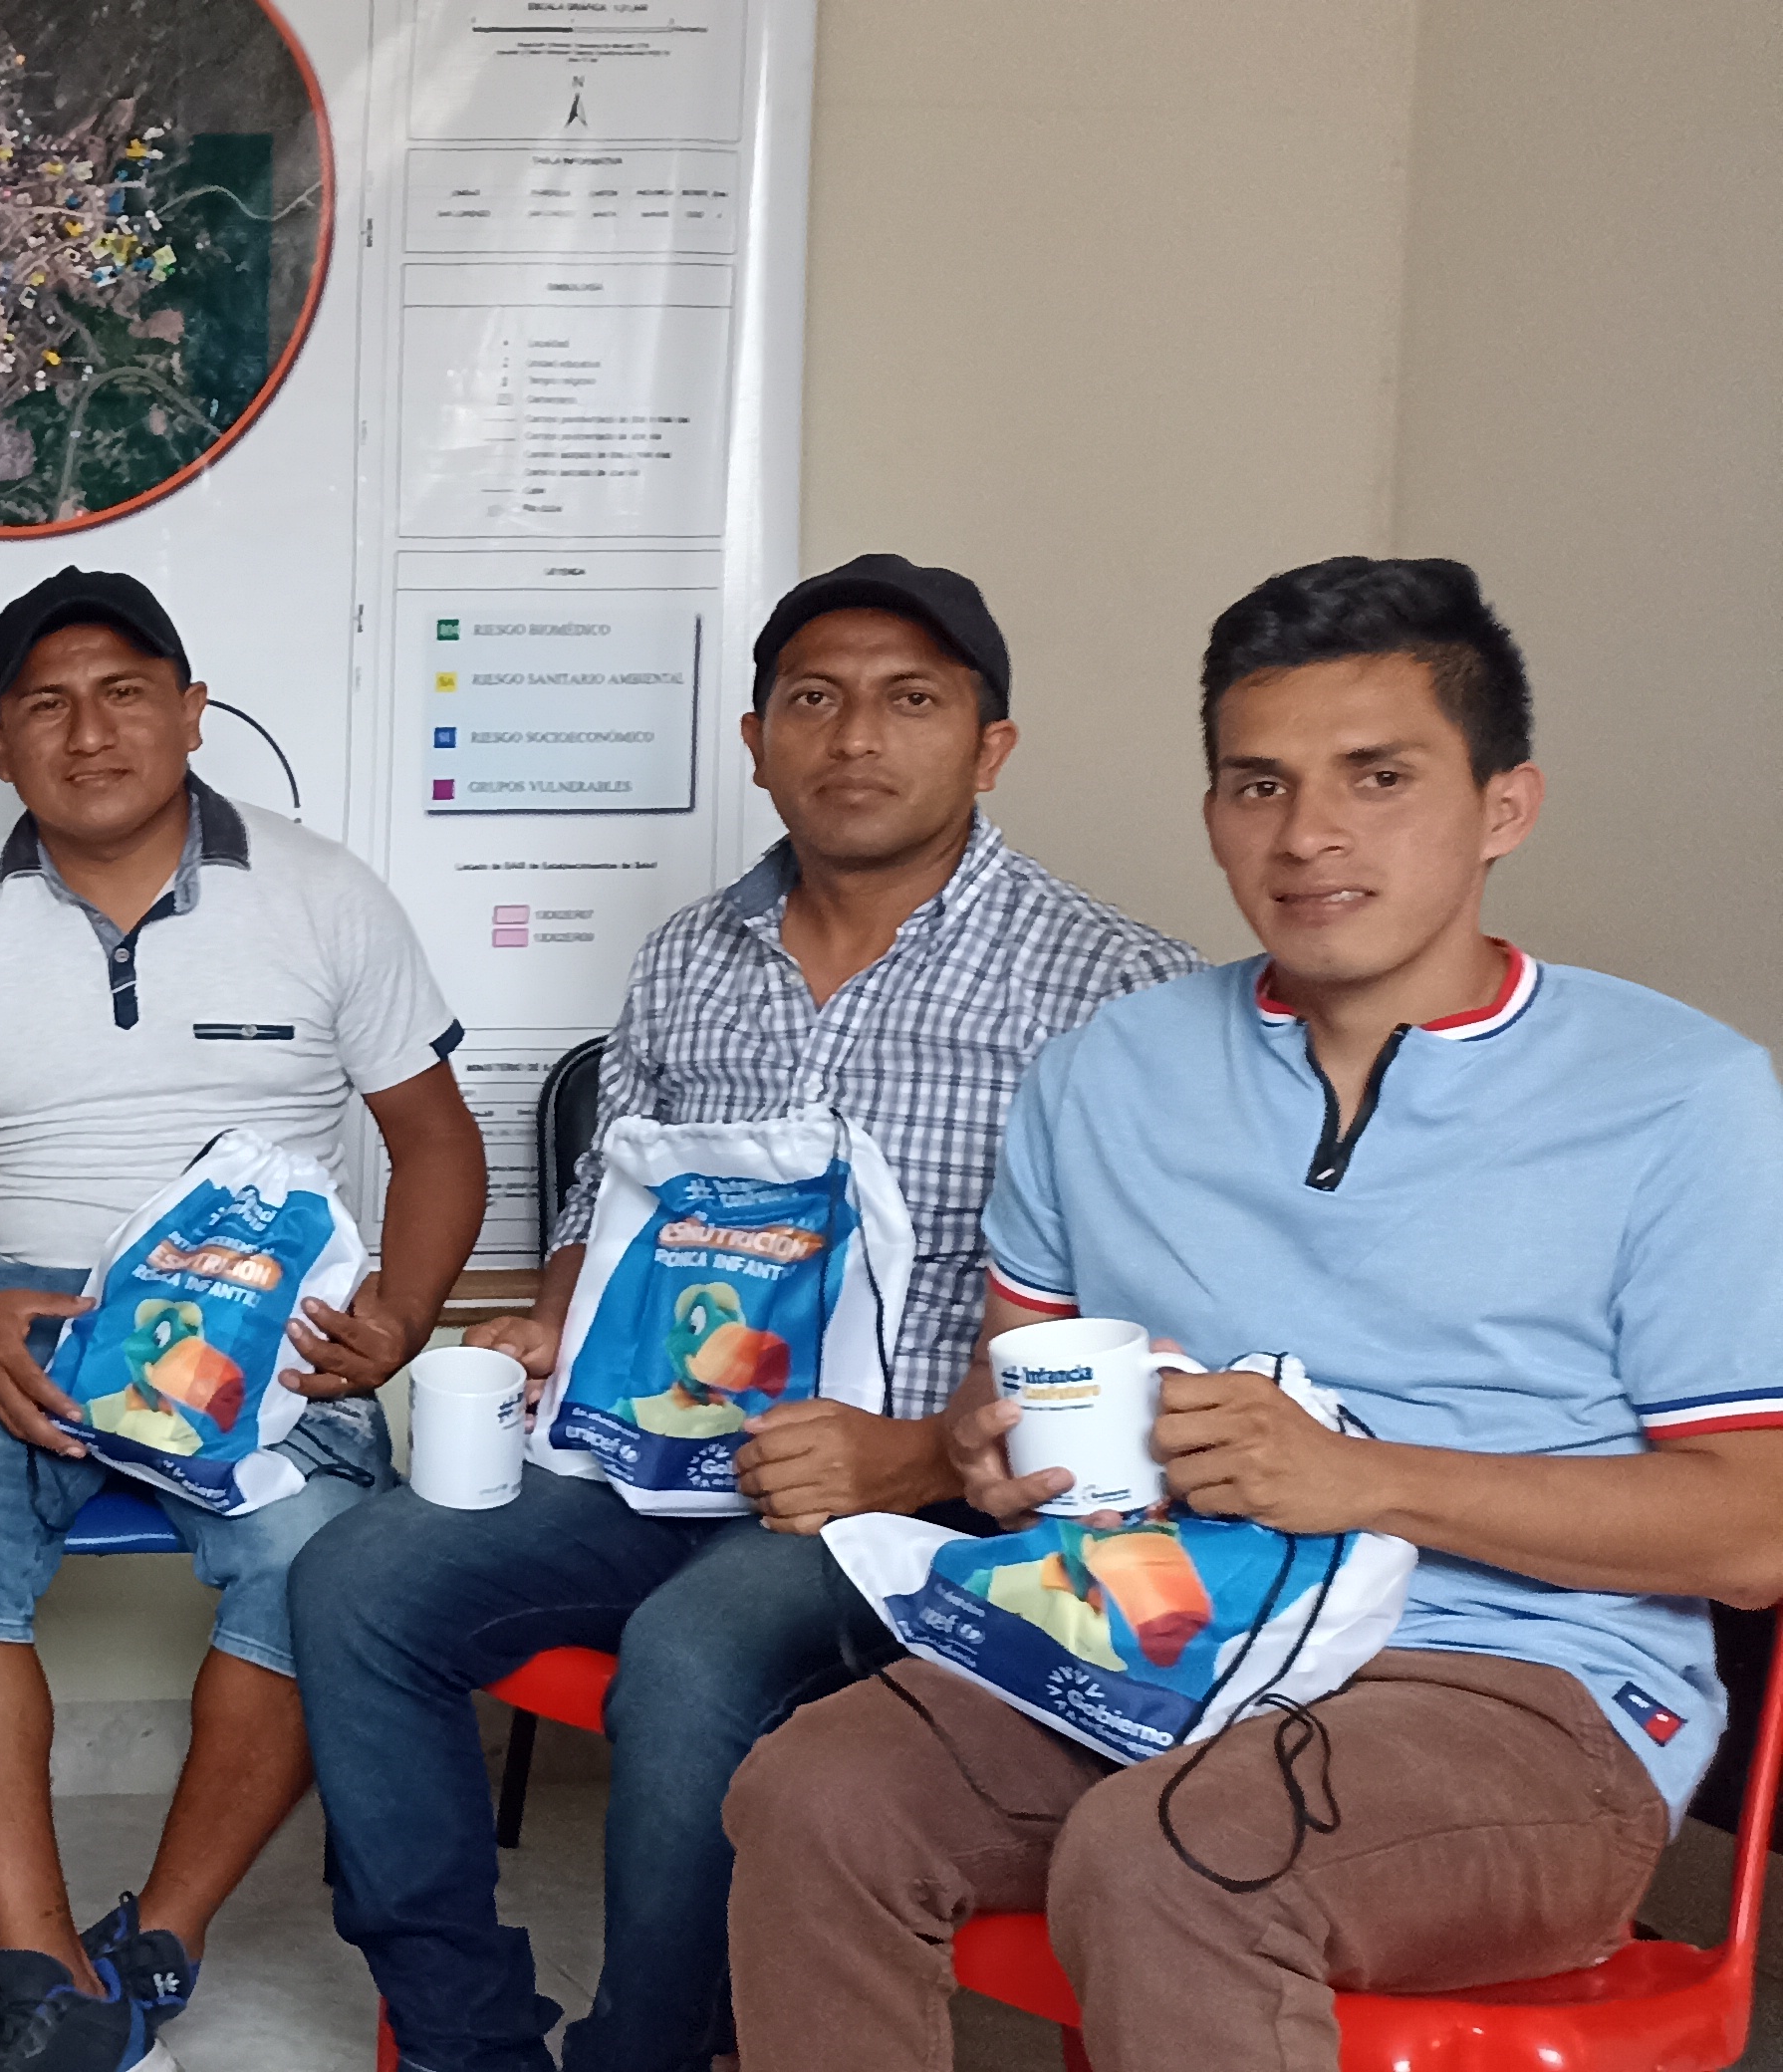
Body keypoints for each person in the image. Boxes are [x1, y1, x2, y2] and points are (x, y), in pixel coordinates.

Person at [721, 558, 1783, 2072]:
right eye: (1258, 783)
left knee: (1182, 1852)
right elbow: (999, 1402)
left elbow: (1752, 1531)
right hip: (1154, 1634)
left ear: (1505, 806)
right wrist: (987, 1453)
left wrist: (1360, 1480)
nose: (1309, 834)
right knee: (818, 1789)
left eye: (1379, 778)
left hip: (1520, 1694)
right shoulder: (1105, 1074)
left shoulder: (1680, 1096)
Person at [288, 556, 1197, 2072]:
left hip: (930, 1499)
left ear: (991, 746)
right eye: (815, 700)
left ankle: (648, 2054)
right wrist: (556, 1323)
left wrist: (916, 1456)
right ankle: (465, 2038)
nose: (857, 737)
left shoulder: (1113, 986)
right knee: (354, 1580)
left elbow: (1143, 1325)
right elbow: (605, 1200)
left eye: (912, 700)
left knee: (696, 1651)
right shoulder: (687, 956)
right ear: (756, 741)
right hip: (661, 1447)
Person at [0, 568, 486, 2072]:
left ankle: (160, 1942)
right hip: (22, 1317)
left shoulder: (325, 894)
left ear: (193, 712)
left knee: (326, 1564)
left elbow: (437, 1142)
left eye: (126, 693)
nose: (91, 734)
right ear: (0, 744)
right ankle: (36, 1967)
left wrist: (400, 1316)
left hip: (257, 1328)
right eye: (48, 706)